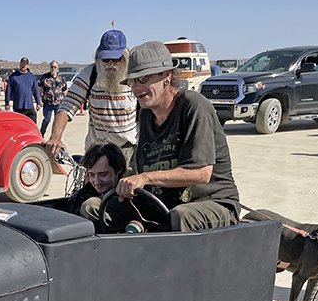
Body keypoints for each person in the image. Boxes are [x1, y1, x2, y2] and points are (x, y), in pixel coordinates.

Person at [103, 41, 240, 233]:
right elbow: (139, 167)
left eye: (143, 78)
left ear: (167, 77)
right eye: (133, 81)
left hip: (211, 203)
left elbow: (201, 173)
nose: (135, 88)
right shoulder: (146, 114)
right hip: (162, 204)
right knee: (98, 207)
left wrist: (145, 177)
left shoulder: (193, 106)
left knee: (182, 216)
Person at [45, 30, 138, 163]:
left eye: (116, 59)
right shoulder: (89, 75)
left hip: (127, 152)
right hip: (96, 151)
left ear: (125, 56)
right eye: (106, 59)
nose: (111, 64)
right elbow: (66, 108)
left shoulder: (134, 77)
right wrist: (55, 137)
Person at [66, 142, 127, 223]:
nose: (97, 181)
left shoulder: (129, 199)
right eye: (92, 175)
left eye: (103, 174)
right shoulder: (80, 197)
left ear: (118, 170)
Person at [5, 57, 41, 122]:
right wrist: (7, 103)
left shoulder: (31, 77)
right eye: (22, 64)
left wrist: (38, 102)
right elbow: (8, 90)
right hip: (18, 107)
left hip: (29, 106)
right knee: (19, 125)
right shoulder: (13, 76)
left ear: (27, 65)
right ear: (19, 64)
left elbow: (35, 90)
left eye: (24, 64)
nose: (23, 66)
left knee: (32, 123)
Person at [38, 61, 67, 136]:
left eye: (55, 67)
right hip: (48, 103)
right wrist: (39, 100)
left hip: (58, 103)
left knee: (57, 121)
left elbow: (64, 90)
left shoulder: (61, 78)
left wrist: (66, 101)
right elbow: (40, 89)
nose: (53, 68)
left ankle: (55, 136)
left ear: (57, 68)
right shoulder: (44, 77)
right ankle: (41, 133)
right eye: (52, 67)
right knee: (47, 119)